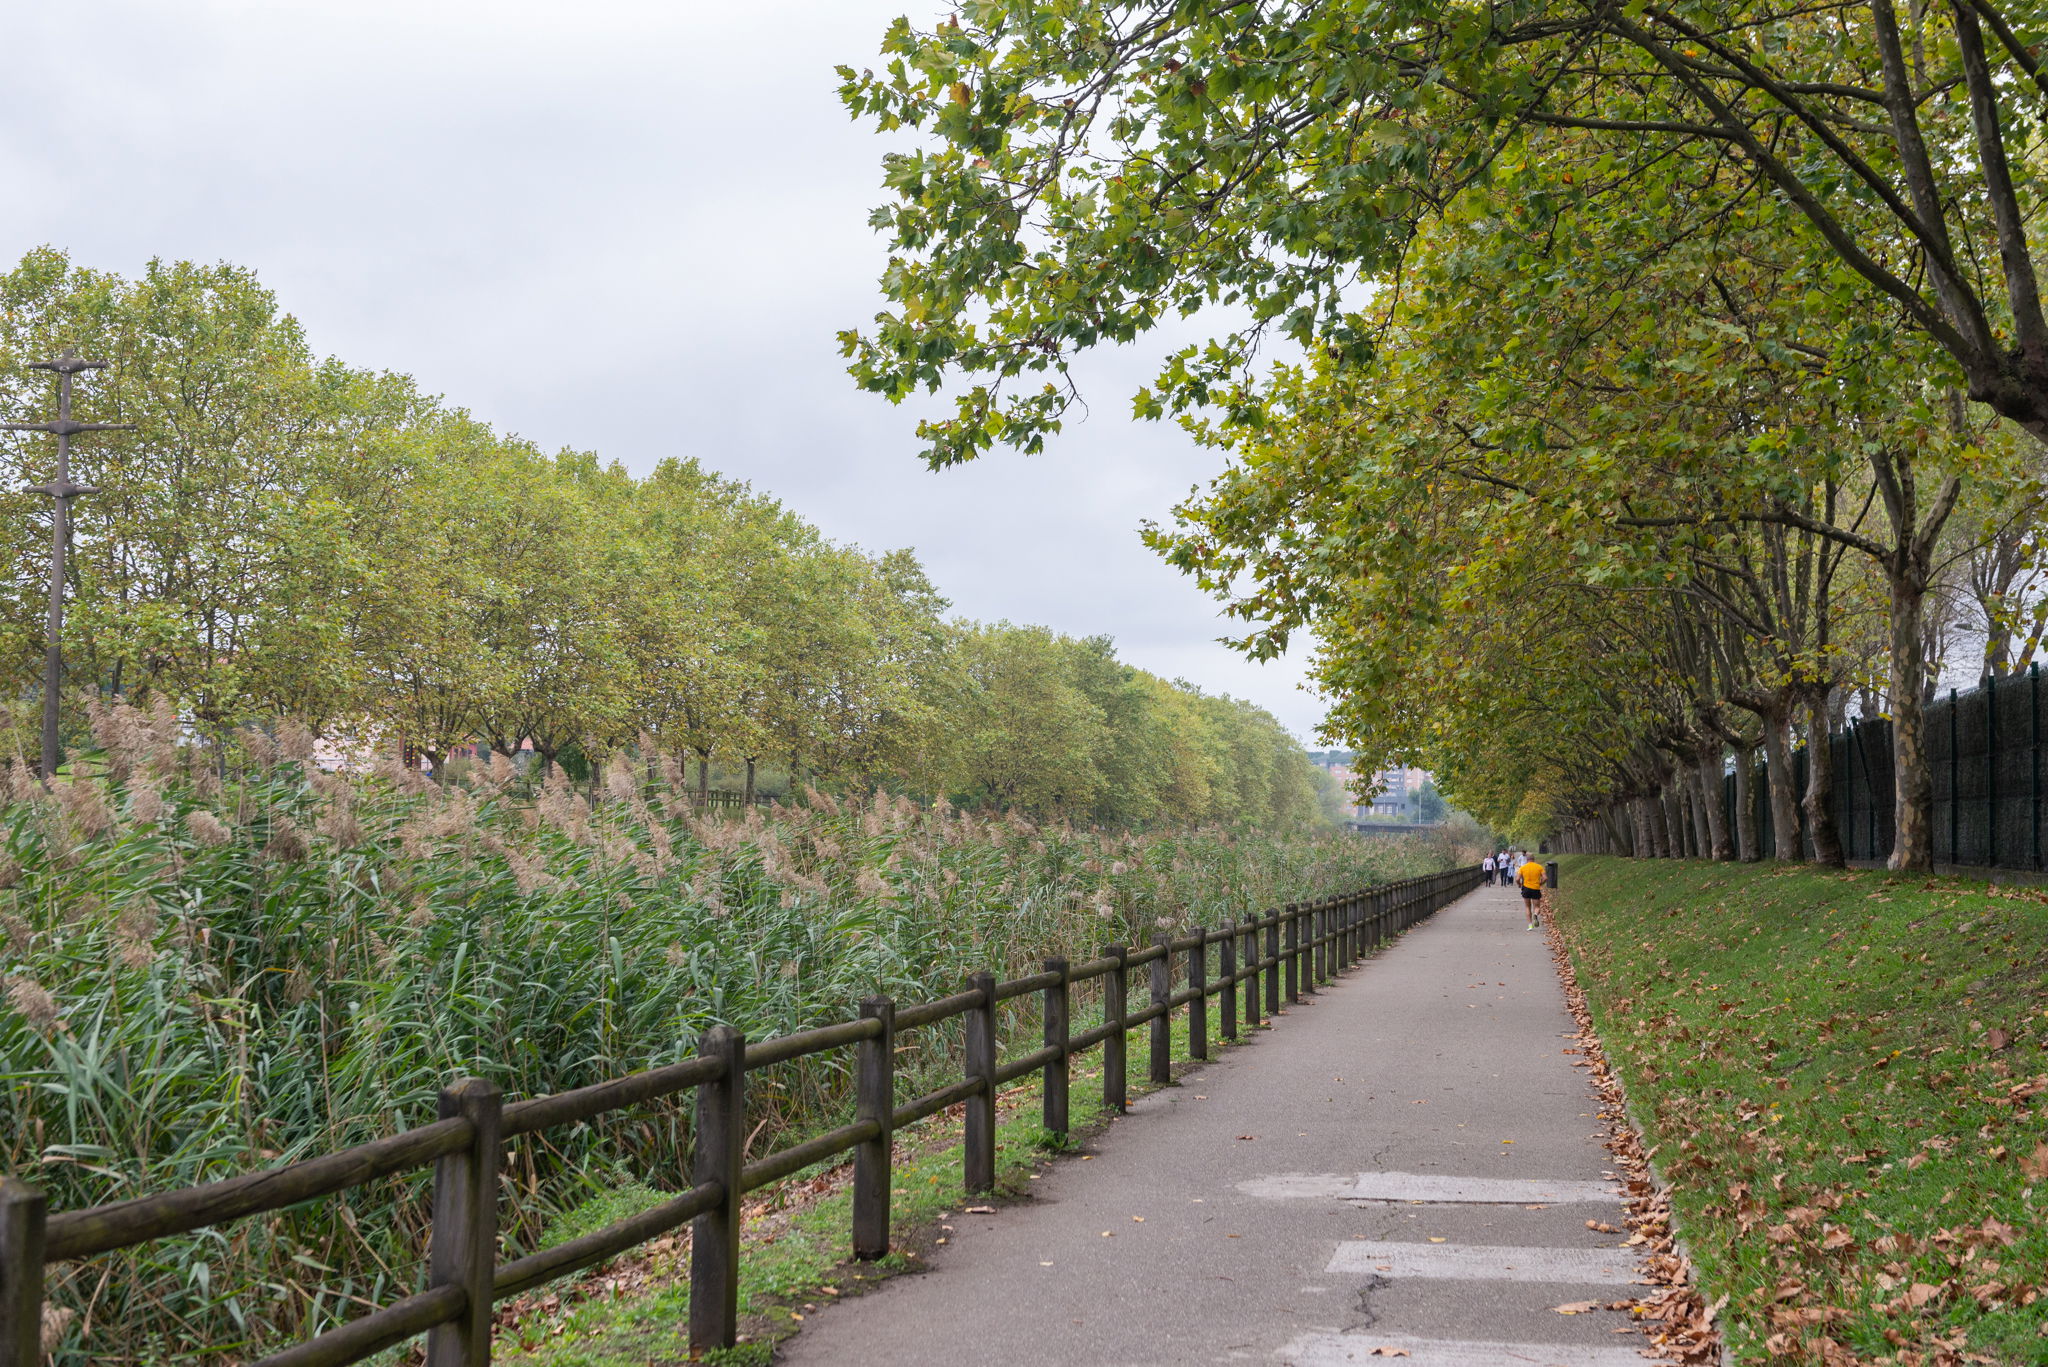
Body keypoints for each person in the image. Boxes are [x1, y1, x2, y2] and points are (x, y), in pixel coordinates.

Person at [1516, 854, 1546, 930]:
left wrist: (1519, 885)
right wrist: (1540, 884)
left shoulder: (1523, 868)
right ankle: (1535, 914)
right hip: (1535, 888)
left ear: (1527, 859)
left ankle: (1530, 925)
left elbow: (1517, 879)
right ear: (1534, 859)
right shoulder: (1539, 867)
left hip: (1526, 888)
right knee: (1537, 907)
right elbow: (1545, 878)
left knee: (1527, 906)